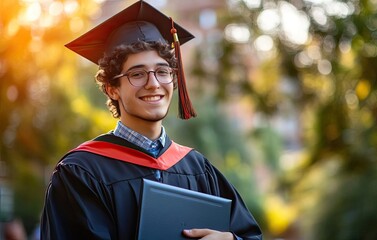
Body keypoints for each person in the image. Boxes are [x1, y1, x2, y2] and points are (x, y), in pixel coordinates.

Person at [40, 1, 262, 240]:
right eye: (137, 74)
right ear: (112, 88)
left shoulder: (199, 169)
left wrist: (230, 239)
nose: (154, 83)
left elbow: (249, 234)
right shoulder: (81, 172)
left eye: (162, 71)